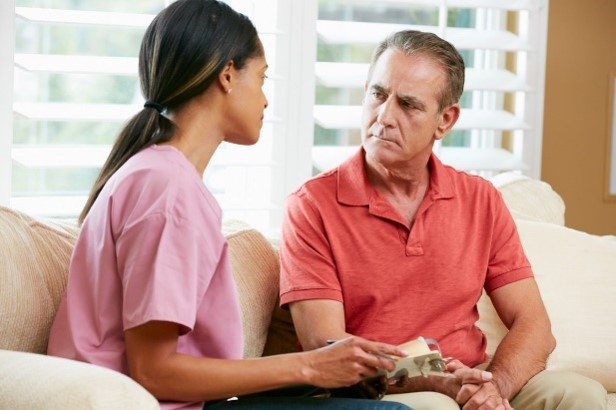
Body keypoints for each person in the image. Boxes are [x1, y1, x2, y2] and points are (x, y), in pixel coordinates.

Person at [45, 2, 429, 409]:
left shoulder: (160, 176)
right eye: (262, 79)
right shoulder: (166, 190)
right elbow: (153, 371)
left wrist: (328, 369)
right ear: (227, 75)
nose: (265, 101)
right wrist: (309, 368)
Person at [279, 30, 608, 410]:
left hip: (471, 377)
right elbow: (327, 348)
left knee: (579, 394)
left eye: (408, 104)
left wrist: (493, 387)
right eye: (378, 94)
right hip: (376, 392)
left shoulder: (480, 199)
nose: (384, 117)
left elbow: (534, 325)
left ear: (445, 120)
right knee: (438, 407)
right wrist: (440, 383)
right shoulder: (311, 205)